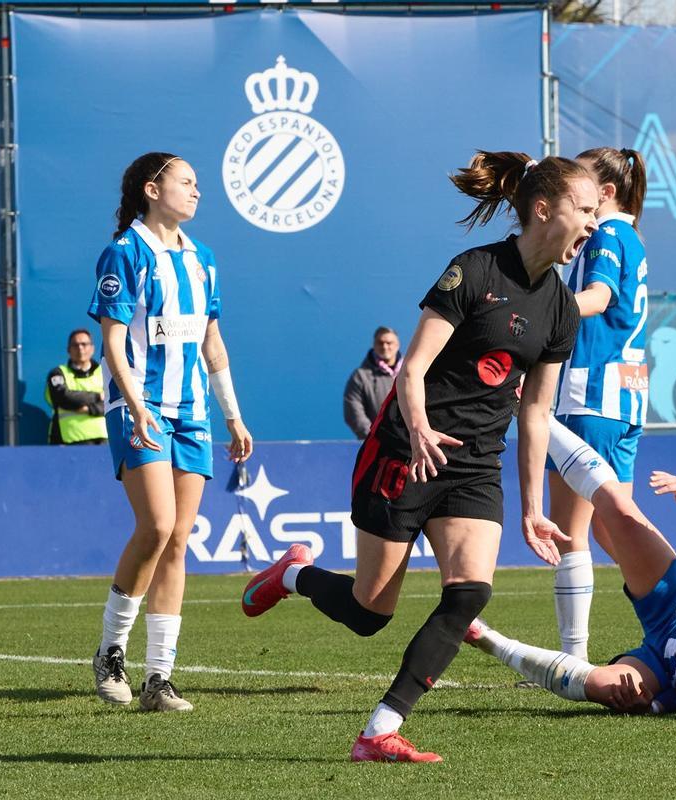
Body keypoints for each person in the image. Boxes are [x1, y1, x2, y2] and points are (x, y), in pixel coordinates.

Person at [241, 151, 592, 764]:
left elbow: (536, 414)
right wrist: (423, 428)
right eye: (585, 210)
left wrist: (534, 507)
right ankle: (292, 574)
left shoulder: (561, 307)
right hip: (407, 448)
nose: (592, 224)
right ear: (544, 209)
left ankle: (379, 730)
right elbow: (414, 368)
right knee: (368, 612)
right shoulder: (473, 270)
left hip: (476, 466)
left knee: (469, 594)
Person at [465, 418, 676, 716]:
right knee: (618, 508)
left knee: (605, 687)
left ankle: (487, 639)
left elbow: (672, 699)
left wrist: (647, 705)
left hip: (660, 665)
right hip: (675, 600)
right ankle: (535, 413)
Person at [88, 152, 253, 712]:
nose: (197, 192)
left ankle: (159, 679)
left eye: (198, 184)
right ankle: (111, 653)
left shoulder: (203, 258)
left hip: (192, 412)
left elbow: (213, 344)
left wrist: (232, 413)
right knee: (156, 526)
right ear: (152, 189)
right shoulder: (125, 252)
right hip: (141, 406)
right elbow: (113, 341)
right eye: (187, 182)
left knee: (180, 539)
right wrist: (135, 406)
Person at [549, 147, 649, 661]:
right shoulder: (629, 235)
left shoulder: (606, 233)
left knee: (572, 533)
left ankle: (573, 658)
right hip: (622, 398)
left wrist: (537, 309)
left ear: (605, 193)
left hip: (591, 395)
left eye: (581, 183)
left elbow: (600, 298)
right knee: (621, 532)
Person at [45, 328, 108, 445]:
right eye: (75, 345)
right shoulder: (58, 373)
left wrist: (89, 409)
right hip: (67, 441)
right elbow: (63, 398)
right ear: (68, 350)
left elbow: (114, 401)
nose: (80, 348)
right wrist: (98, 396)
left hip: (102, 441)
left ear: (92, 349)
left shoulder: (105, 372)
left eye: (84, 344)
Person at [343, 327, 402, 439]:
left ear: (397, 345)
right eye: (380, 343)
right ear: (374, 345)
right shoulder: (360, 377)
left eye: (389, 343)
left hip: (413, 443)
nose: (385, 347)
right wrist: (375, 437)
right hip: (377, 446)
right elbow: (354, 412)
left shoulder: (413, 372)